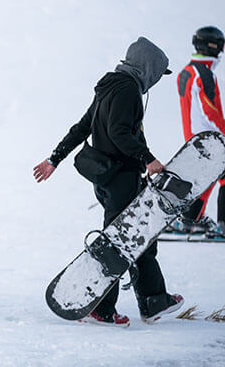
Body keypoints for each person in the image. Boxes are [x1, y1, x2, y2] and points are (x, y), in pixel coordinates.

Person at [33, 37, 183, 326]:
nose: (155, 82)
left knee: (138, 236)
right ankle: (101, 309)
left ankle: (154, 300)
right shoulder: (127, 90)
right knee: (118, 242)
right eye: (156, 74)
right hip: (121, 179)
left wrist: (54, 159)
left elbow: (82, 127)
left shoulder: (110, 86)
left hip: (108, 178)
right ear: (147, 67)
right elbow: (119, 133)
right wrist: (148, 159)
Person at [174, 26, 225, 235]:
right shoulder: (204, 74)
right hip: (210, 138)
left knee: (205, 179)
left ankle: (190, 219)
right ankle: (222, 225)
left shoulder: (186, 71)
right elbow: (209, 113)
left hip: (193, 138)